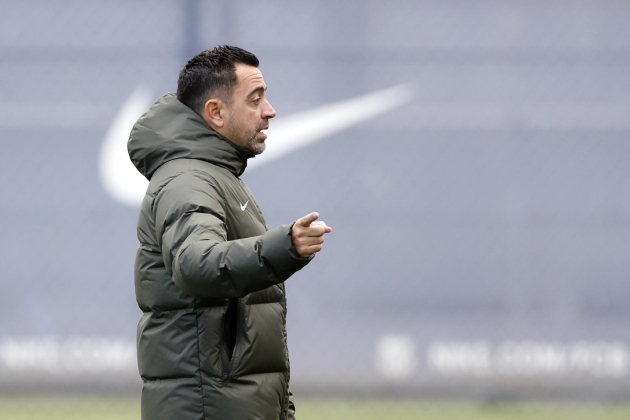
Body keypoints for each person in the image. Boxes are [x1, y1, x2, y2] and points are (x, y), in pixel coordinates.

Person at [128, 45, 331, 420]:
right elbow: (195, 264)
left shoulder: (214, 176)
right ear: (216, 113)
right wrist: (283, 246)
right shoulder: (188, 179)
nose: (269, 111)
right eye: (255, 100)